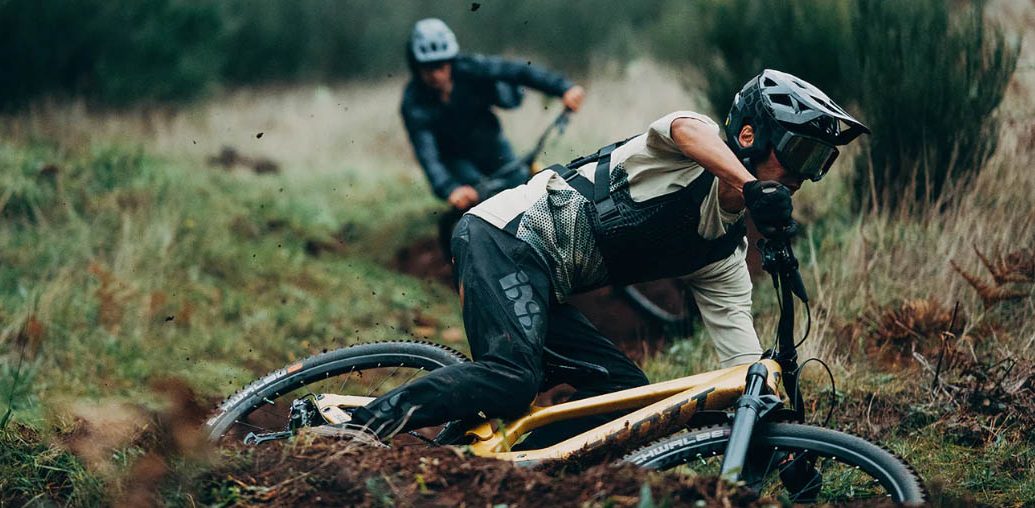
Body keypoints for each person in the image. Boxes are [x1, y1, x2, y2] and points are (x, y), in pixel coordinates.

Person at [345, 69, 870, 444]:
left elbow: (741, 367)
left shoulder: (722, 256)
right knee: (512, 377)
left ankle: (512, 467)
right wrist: (752, 184)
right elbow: (686, 128)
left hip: (541, 281)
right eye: (800, 153)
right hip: (501, 237)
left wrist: (776, 432)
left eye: (819, 162)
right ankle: (355, 431)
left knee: (625, 395)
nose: (805, 174)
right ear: (749, 136)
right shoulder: (679, 156)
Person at [400, 18, 586, 258]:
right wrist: (450, 188)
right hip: (456, 161)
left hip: (491, 145)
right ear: (417, 68)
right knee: (484, 205)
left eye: (442, 65)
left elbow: (517, 71)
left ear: (451, 61)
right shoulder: (413, 102)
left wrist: (563, 87)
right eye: (428, 68)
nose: (437, 74)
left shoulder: (469, 68)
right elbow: (428, 154)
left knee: (526, 187)